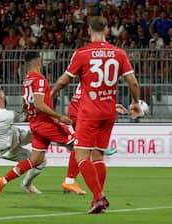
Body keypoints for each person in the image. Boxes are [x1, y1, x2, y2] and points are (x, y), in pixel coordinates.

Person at [51, 16, 141, 214]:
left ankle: (99, 196)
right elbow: (133, 82)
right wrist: (135, 103)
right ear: (107, 30)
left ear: (89, 30)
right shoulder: (119, 53)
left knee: (82, 154)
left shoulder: (82, 53)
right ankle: (96, 198)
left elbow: (65, 81)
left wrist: (52, 93)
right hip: (109, 113)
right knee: (98, 155)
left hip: (89, 112)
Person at [0, 52, 85, 196]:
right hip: (45, 123)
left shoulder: (26, 80)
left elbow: (24, 104)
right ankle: (70, 181)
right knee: (78, 144)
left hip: (35, 123)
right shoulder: (39, 79)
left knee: (35, 160)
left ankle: (2, 181)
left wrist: (31, 114)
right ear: (39, 63)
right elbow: (40, 104)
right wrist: (59, 116)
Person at [61, 83, 128, 194]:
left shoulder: (91, 71)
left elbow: (94, 95)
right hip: (83, 112)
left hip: (79, 109)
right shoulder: (99, 74)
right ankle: (71, 181)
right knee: (84, 148)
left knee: (82, 147)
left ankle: (71, 182)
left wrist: (112, 105)